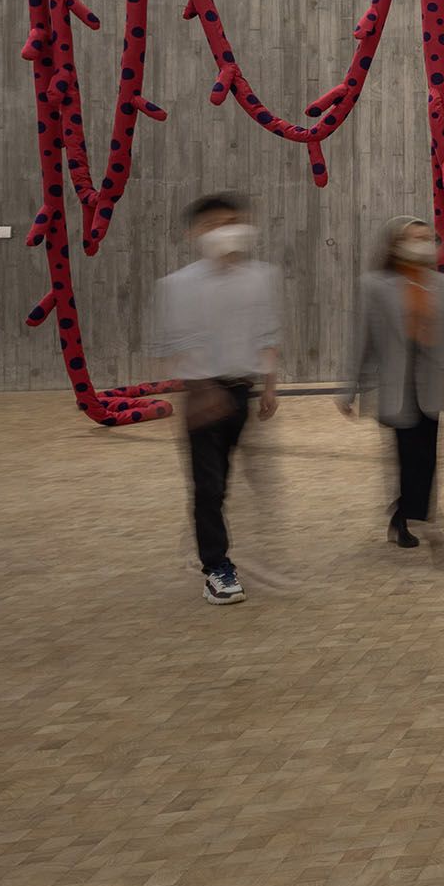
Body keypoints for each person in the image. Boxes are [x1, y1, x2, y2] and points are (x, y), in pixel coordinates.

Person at [148, 192, 281, 605]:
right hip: (202, 395)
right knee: (208, 485)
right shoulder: (179, 285)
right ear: (196, 233)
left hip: (242, 390)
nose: (227, 231)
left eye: (232, 221)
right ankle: (217, 568)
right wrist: (203, 391)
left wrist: (269, 384)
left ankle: (212, 541)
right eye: (215, 224)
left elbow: (267, 331)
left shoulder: (261, 277)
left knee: (232, 480)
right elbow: (174, 345)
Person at [339, 216, 444, 547]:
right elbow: (362, 340)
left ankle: (408, 513)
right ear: (396, 245)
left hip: (429, 386)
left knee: (427, 455)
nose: (423, 243)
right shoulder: (375, 285)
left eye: (428, 238)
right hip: (393, 386)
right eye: (415, 237)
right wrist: (348, 388)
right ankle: (409, 517)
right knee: (405, 453)